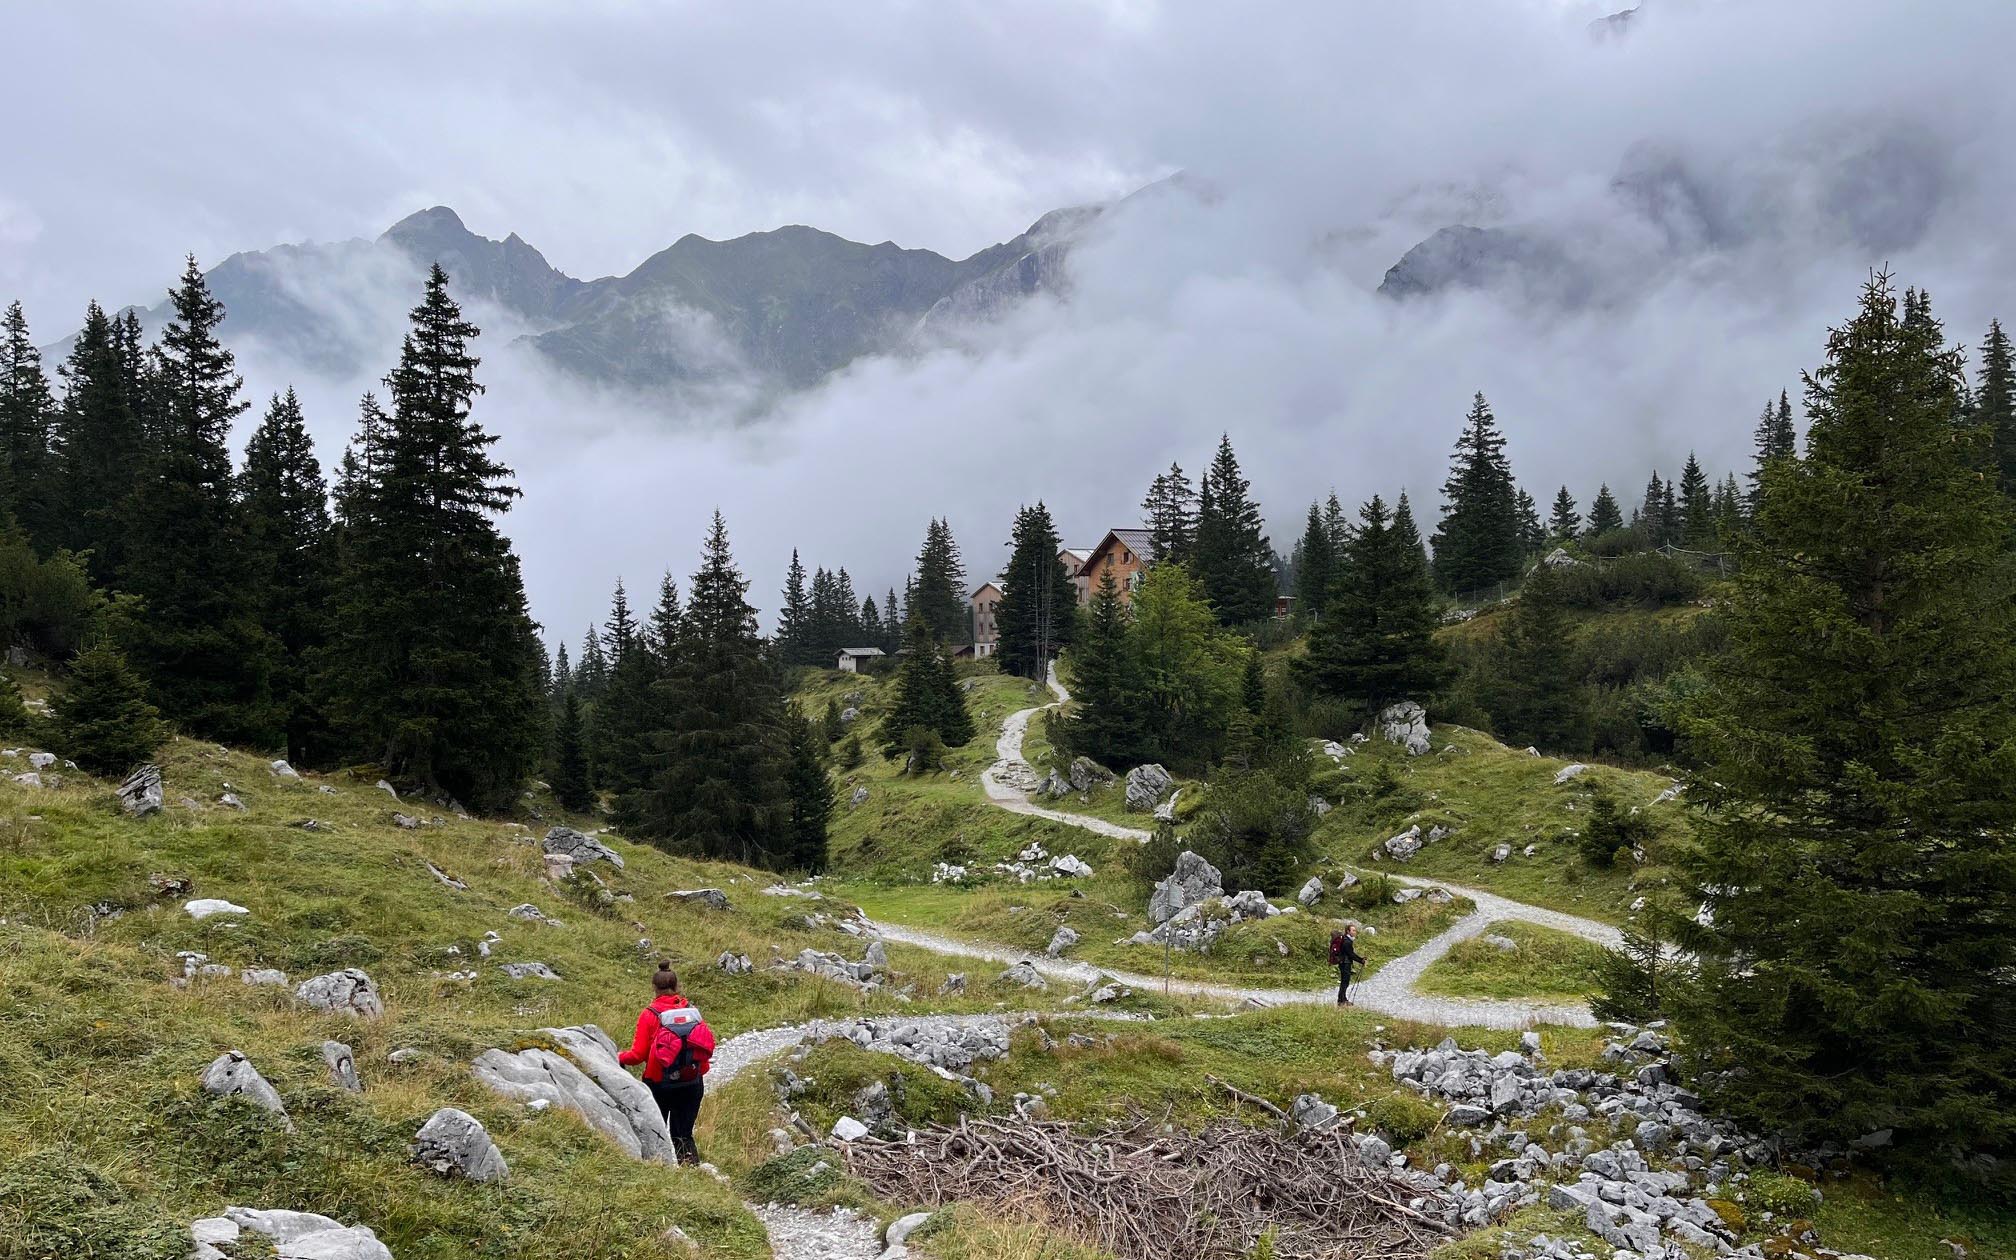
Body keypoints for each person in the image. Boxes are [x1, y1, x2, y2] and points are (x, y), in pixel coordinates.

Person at [617, 961, 715, 1164]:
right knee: (683, 1135)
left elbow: (637, 1055)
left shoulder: (649, 1014)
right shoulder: (691, 1011)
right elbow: (701, 1049)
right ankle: (691, 1176)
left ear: (654, 988)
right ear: (677, 986)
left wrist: (618, 1057)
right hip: (691, 1082)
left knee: (656, 1135)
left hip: (659, 1084)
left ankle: (660, 1175)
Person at [1335, 923, 1365, 1006]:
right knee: (1345, 982)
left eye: (1355, 930)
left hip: (1344, 963)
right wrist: (1361, 960)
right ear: (1348, 931)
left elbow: (1350, 954)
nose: (1355, 932)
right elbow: (1351, 954)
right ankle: (1341, 1001)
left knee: (1345, 982)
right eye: (1353, 930)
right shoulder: (1347, 942)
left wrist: (1360, 959)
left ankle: (1343, 999)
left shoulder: (1345, 940)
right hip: (1345, 963)